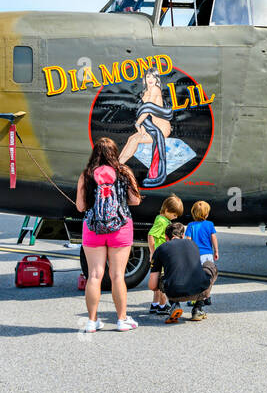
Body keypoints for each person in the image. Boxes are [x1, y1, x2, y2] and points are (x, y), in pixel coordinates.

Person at [75, 137, 143, 332]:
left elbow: (80, 207)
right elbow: (135, 201)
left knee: (95, 276)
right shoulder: (124, 172)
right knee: (117, 276)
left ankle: (91, 322)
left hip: (93, 228)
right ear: (114, 152)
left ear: (94, 153)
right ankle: (122, 320)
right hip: (120, 228)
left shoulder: (86, 175)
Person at [152, 235, 217, 323]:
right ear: (182, 235)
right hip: (199, 291)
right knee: (210, 265)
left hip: (173, 293)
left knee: (162, 276)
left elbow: (152, 285)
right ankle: (198, 308)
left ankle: (174, 305)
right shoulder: (193, 244)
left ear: (166, 237)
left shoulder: (161, 248)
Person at [146, 194, 184, 316]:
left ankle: (155, 305)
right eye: (174, 215)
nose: (175, 217)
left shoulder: (162, 220)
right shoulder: (162, 222)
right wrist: (153, 251)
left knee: (158, 283)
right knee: (163, 283)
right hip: (161, 256)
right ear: (167, 210)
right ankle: (162, 306)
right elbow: (151, 235)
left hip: (160, 255)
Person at [185, 201, 219, 266]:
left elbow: (188, 241)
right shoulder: (210, 224)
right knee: (209, 272)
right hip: (208, 254)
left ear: (193, 213)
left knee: (196, 274)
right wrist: (216, 251)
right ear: (206, 214)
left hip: (195, 255)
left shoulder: (190, 225)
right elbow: (214, 238)